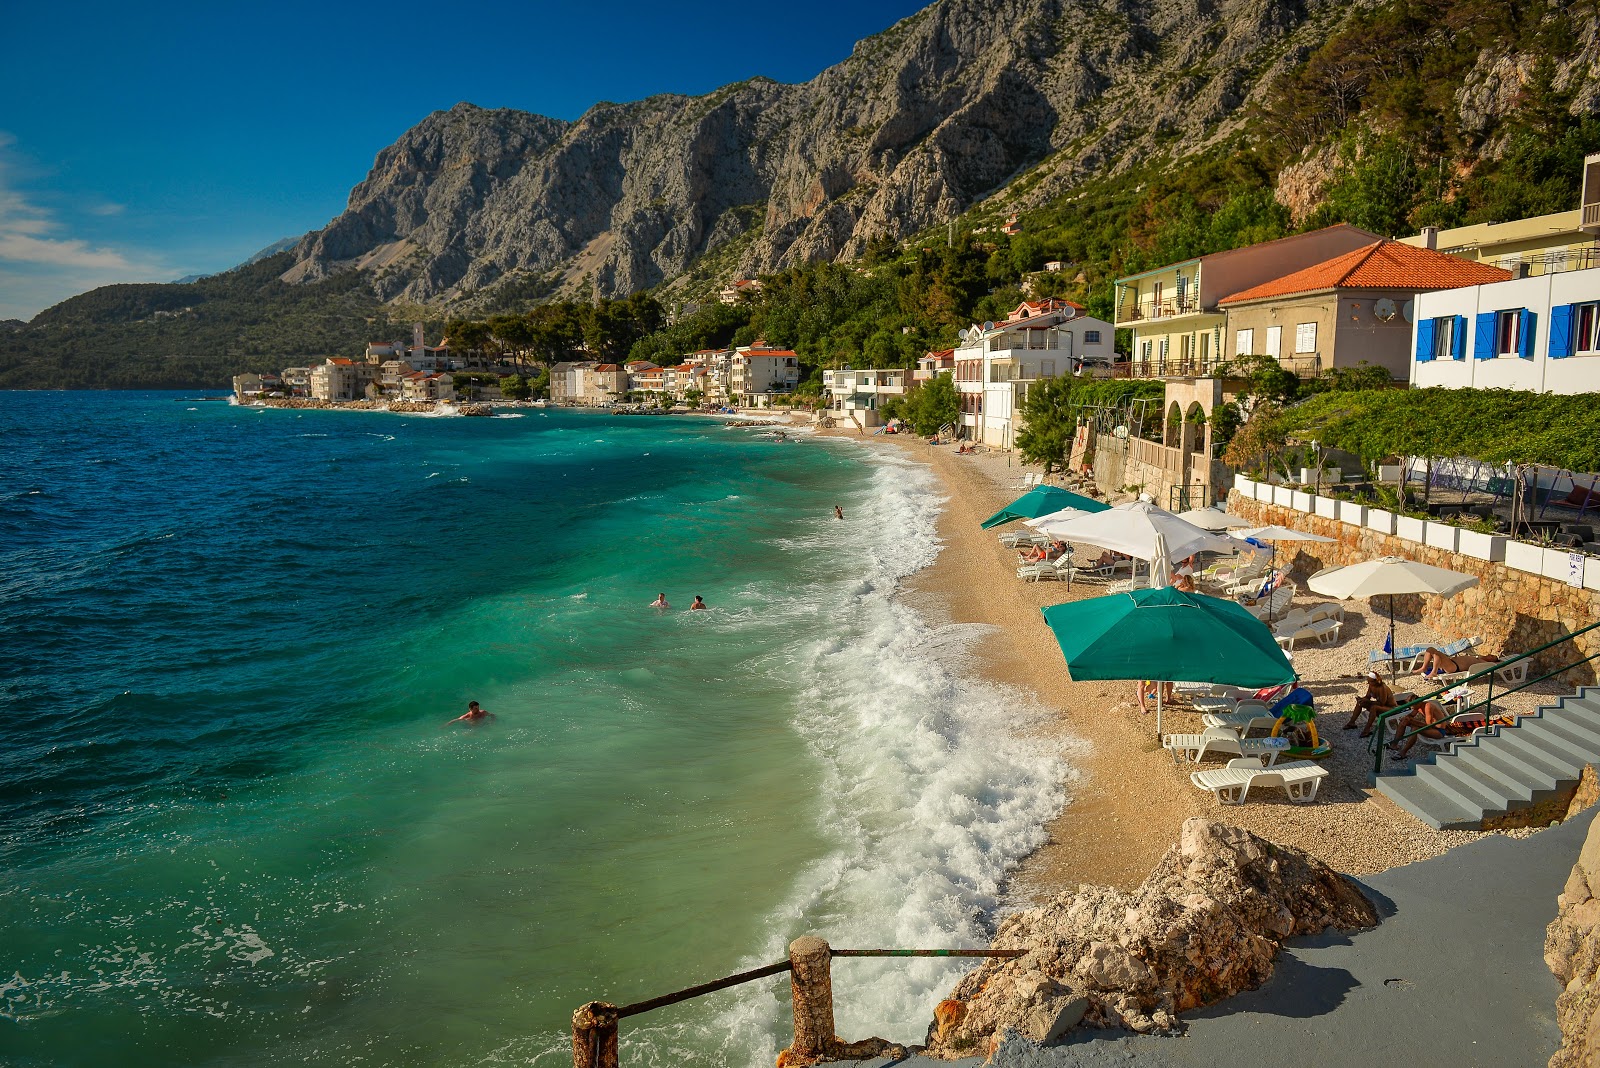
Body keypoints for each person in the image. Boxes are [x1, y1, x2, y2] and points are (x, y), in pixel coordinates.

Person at [1343, 672, 1398, 736]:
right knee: (1360, 703)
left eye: (1370, 681)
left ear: (1375, 681)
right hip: (1382, 706)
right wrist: (1362, 699)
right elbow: (1368, 697)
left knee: (1374, 707)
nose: (1368, 683)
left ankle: (1367, 729)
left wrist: (1368, 702)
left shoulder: (1382, 688)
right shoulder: (1371, 686)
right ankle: (1351, 722)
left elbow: (1382, 703)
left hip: (1391, 708)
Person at [1415, 646, 1501, 679]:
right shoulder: (1478, 657)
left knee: (1436, 653)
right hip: (1451, 662)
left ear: (1492, 661)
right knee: (1430, 649)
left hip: (1454, 666)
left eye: (1492, 656)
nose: (1490, 654)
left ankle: (1434, 672)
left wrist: (1499, 662)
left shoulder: (1484, 663)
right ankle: (1424, 667)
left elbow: (1498, 664)